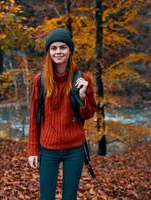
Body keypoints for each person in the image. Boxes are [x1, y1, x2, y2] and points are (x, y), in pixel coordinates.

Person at [27, 28, 96, 200]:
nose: (58, 51)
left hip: (75, 148)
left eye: (63, 47)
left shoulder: (83, 80)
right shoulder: (40, 80)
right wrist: (32, 150)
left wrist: (82, 96)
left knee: (69, 197)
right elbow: (34, 117)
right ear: (49, 52)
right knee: (46, 197)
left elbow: (88, 114)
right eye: (54, 48)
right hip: (48, 149)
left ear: (70, 50)